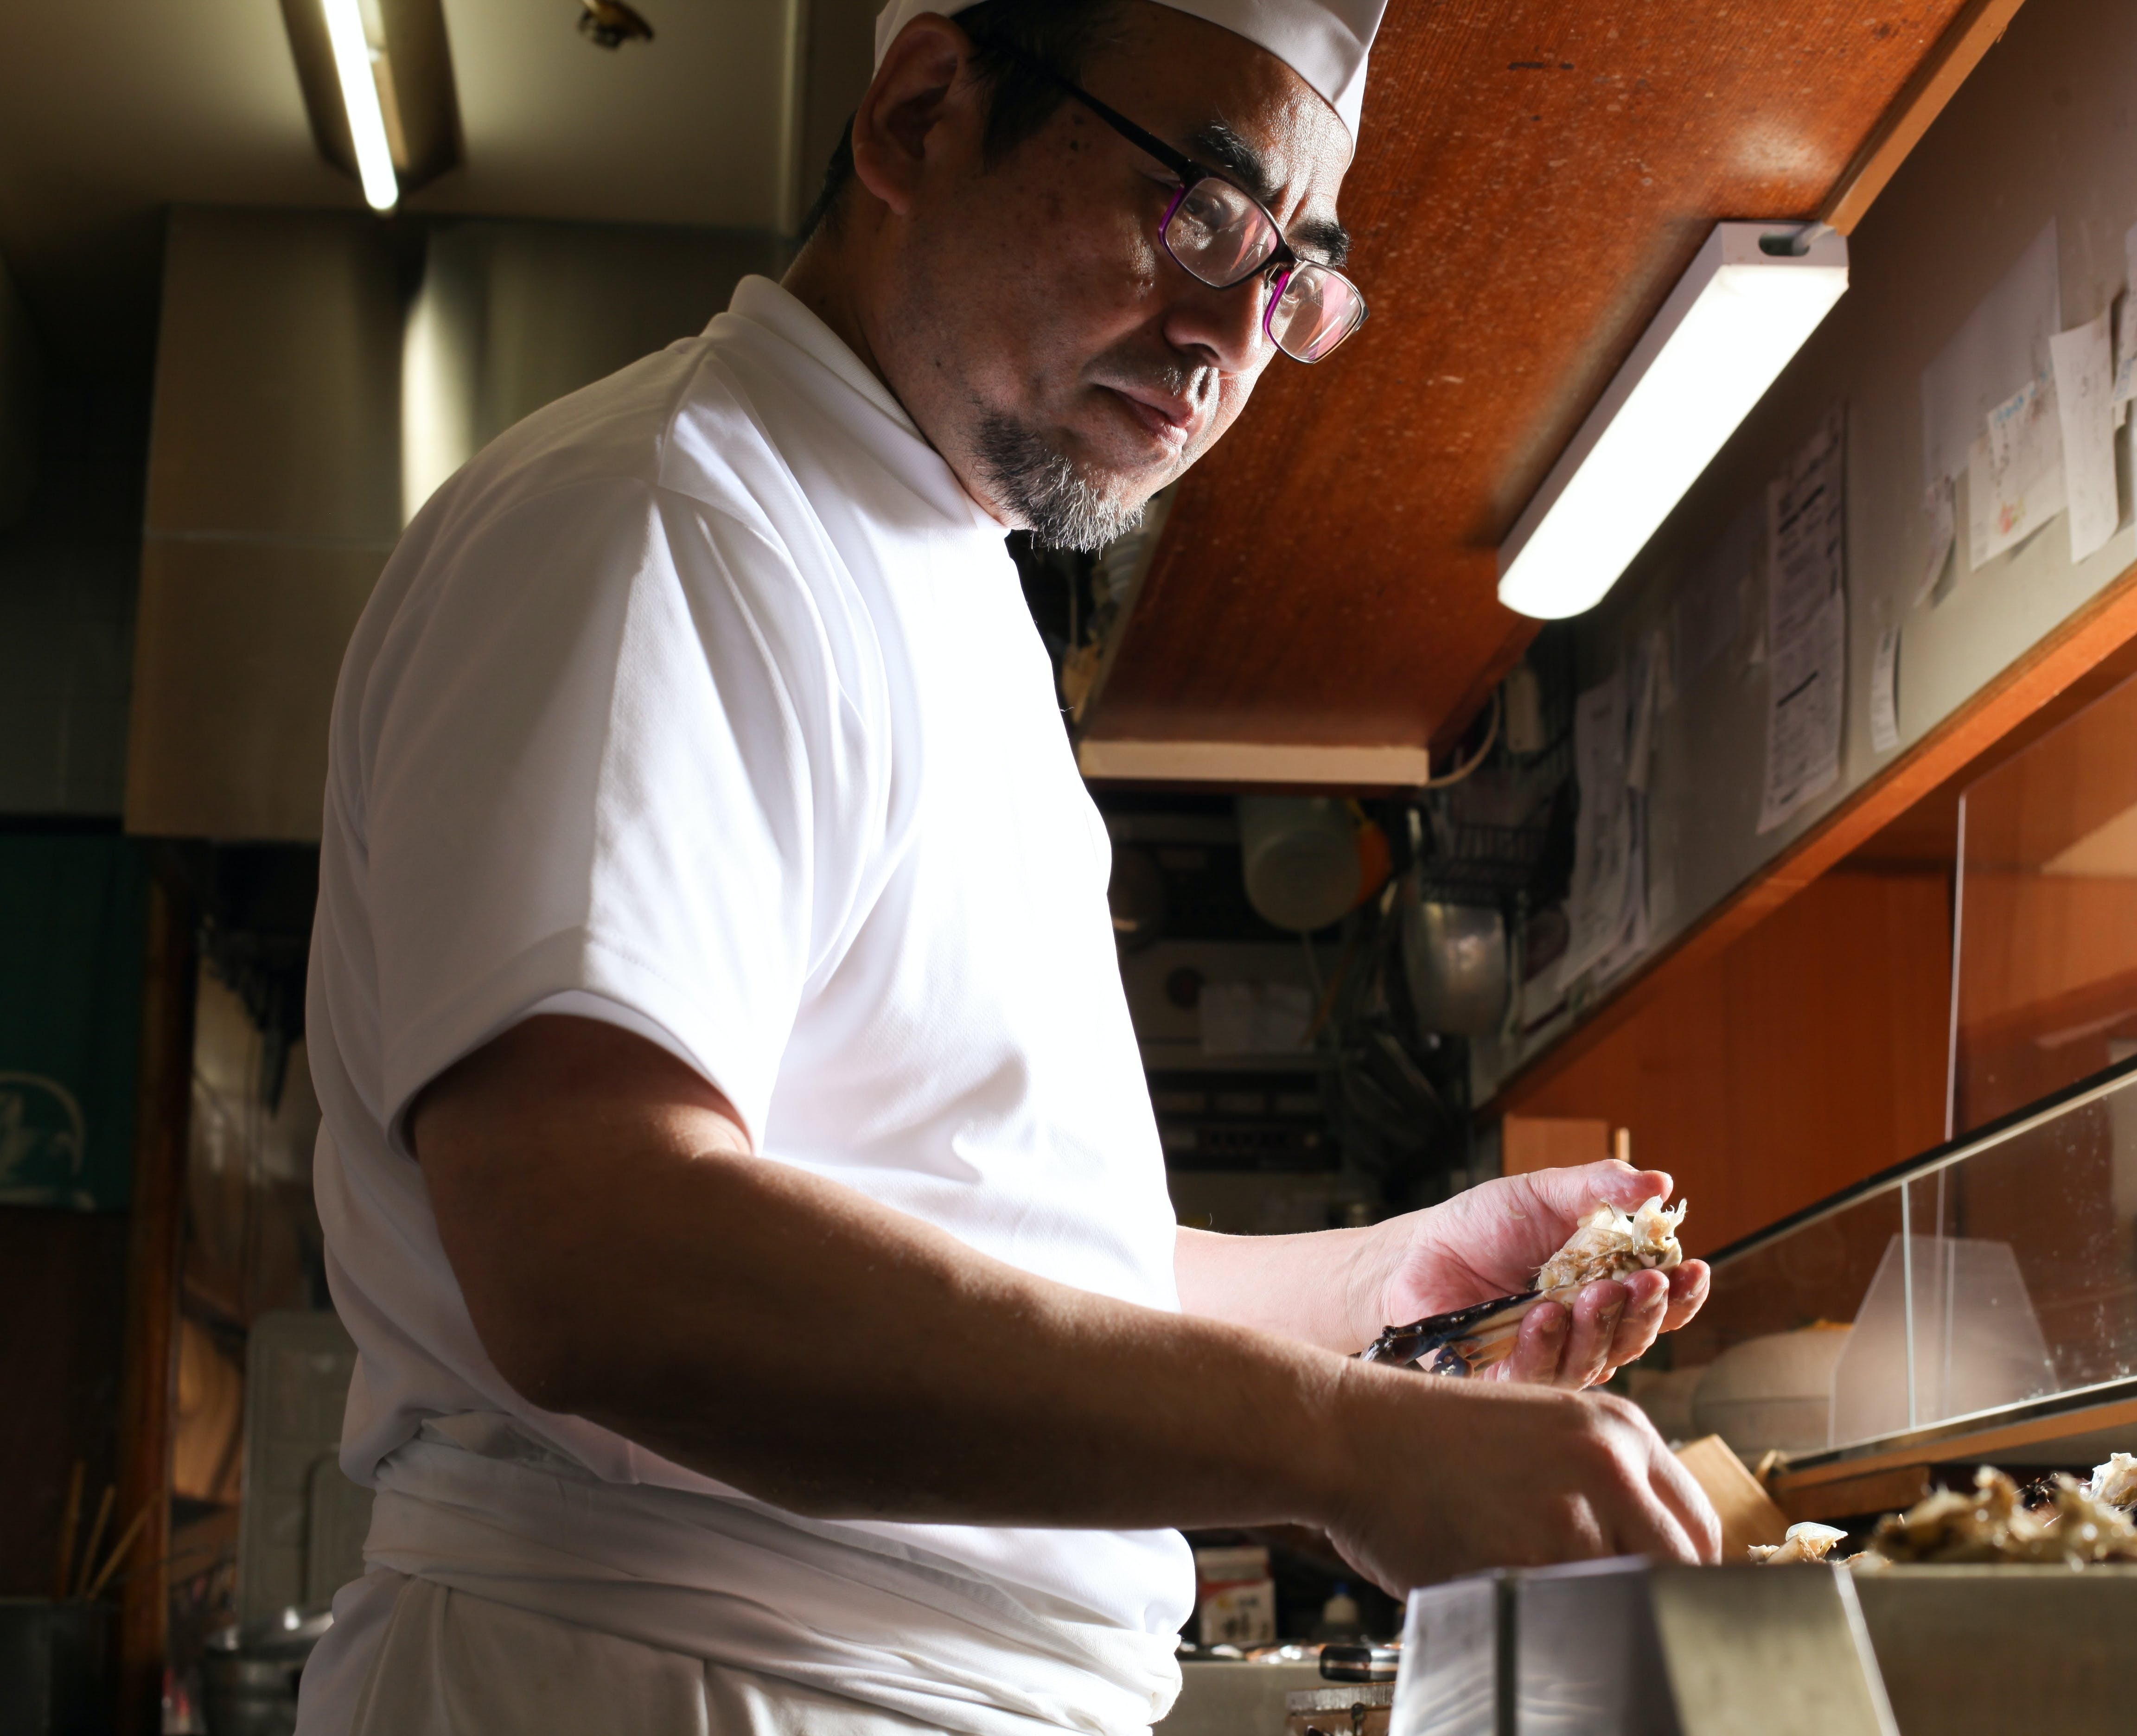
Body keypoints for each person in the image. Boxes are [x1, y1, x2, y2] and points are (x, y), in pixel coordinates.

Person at [293, 2, 1718, 1732]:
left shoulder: (939, 575)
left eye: (1291, 278)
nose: (1227, 340)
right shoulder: (675, 520)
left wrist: (1376, 1298)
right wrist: (1338, 1446)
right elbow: (600, 1251)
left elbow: (988, 1249)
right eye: (1201, 210)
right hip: (686, 1680)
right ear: (920, 114)